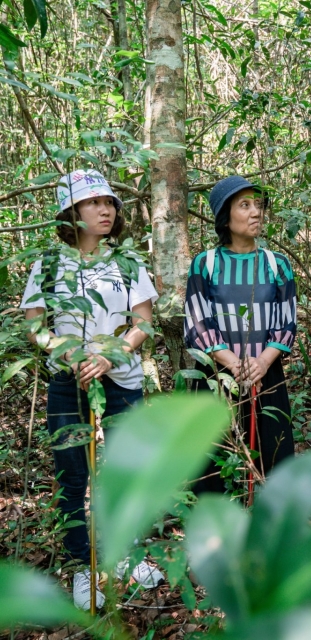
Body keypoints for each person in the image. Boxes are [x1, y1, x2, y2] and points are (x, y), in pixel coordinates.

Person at [21, 169, 162, 610]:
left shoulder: (127, 262)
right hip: (68, 382)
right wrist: (70, 355)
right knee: (72, 473)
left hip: (121, 379)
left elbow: (143, 323)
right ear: (72, 211)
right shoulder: (48, 264)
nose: (106, 209)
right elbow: (35, 326)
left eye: (109, 203)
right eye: (93, 202)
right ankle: (85, 567)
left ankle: (128, 554)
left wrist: (110, 355)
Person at [184, 176, 297, 495]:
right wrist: (234, 364)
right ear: (225, 216)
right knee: (210, 469)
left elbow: (286, 324)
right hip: (215, 377)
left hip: (267, 375)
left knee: (275, 464)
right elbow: (196, 324)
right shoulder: (204, 264)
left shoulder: (278, 265)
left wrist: (260, 363)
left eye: (258, 205)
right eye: (244, 205)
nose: (255, 212)